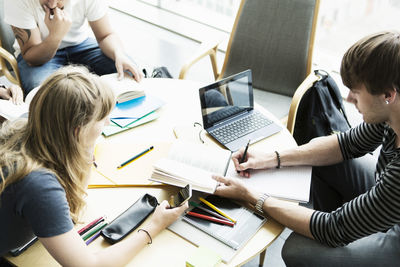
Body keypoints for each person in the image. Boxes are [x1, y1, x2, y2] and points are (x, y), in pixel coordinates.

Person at [212, 31, 400, 267]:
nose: (350, 99)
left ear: (388, 95)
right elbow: (345, 144)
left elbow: (334, 227)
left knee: (296, 249)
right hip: (388, 203)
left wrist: (251, 196)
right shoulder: (390, 115)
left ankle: (345, 241)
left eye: (357, 92)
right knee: (320, 161)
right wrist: (271, 158)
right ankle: (346, 237)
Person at [0, 66, 187, 265]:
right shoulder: (39, 185)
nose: (107, 122)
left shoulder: (28, 124)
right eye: (102, 117)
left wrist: (83, 149)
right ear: (76, 130)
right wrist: (154, 226)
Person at [3, 0, 143, 94]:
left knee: (128, 72)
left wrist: (119, 53)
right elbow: (31, 58)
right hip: (37, 54)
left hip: (81, 45)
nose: (52, 4)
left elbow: (105, 35)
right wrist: (55, 36)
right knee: (46, 94)